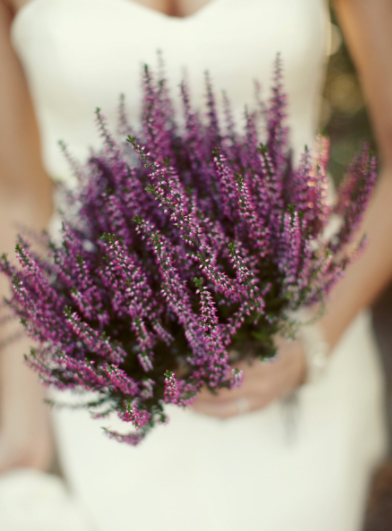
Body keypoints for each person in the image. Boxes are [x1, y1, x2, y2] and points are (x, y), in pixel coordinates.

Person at [0, 0, 391, 530]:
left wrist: (313, 342)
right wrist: (21, 430)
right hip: (117, 367)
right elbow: (18, 203)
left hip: (306, 336)